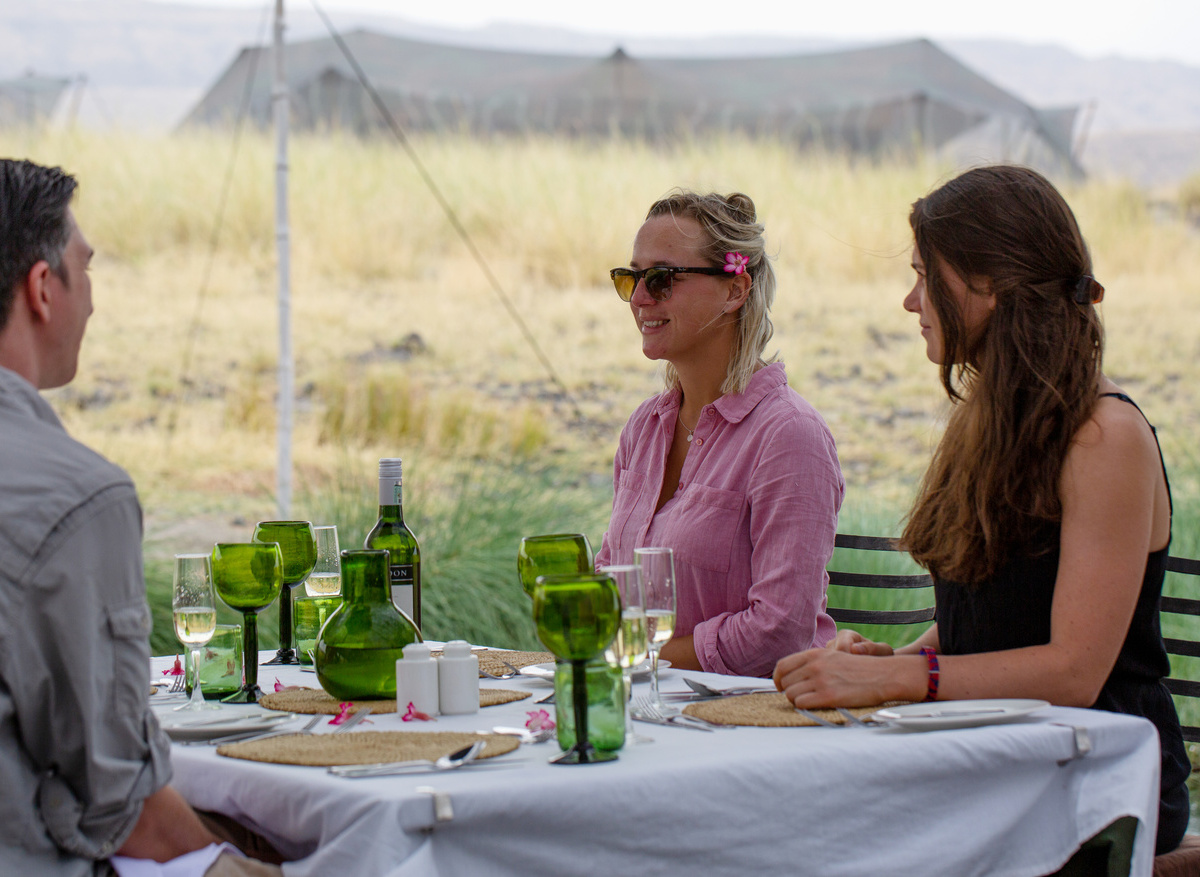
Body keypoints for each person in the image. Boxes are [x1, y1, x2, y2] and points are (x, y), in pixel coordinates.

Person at [773, 165, 1189, 854]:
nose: (910, 301)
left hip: (1096, 775)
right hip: (996, 752)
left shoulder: (1105, 436)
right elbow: (995, 610)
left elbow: (1074, 672)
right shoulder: (992, 418)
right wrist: (893, 659)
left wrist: (902, 679)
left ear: (989, 286)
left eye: (923, 275)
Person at [0, 159, 282, 875]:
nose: (92, 301)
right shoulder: (73, 496)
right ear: (41, 289)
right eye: (84, 270)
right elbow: (122, 800)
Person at [594, 190, 844, 678]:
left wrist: (637, 656)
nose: (641, 298)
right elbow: (612, 582)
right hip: (649, 708)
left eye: (662, 279)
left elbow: (780, 631)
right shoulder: (643, 430)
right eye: (631, 278)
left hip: (752, 721)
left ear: (735, 289)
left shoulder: (789, 437)